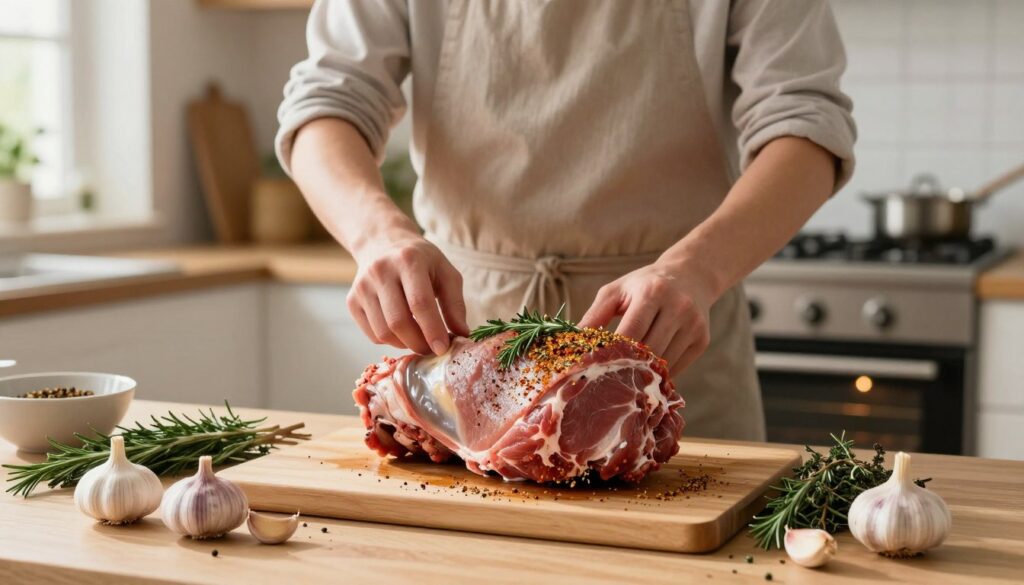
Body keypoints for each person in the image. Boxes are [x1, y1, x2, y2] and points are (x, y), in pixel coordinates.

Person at [276, 0, 856, 441]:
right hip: (465, 345)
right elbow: (328, 103)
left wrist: (696, 270)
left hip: (669, 342)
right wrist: (378, 235)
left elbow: (804, 125)